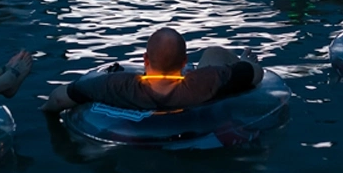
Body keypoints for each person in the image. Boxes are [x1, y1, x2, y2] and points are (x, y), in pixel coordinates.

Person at [41, 27, 262, 112]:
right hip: (197, 112)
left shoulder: (115, 85)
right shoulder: (206, 81)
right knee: (214, 52)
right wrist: (246, 62)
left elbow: (59, 99)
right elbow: (257, 74)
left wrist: (46, 111)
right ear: (185, 62)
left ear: (145, 59)